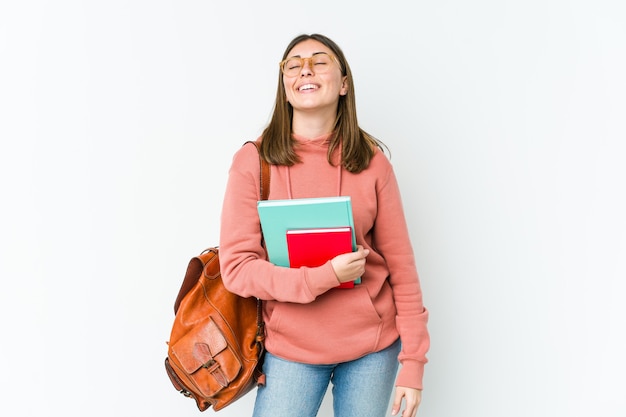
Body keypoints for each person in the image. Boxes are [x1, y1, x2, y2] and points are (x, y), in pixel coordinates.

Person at [219, 33, 429, 417]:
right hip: (290, 349)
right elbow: (236, 270)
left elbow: (402, 266)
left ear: (344, 83)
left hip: (372, 349)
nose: (306, 69)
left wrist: (413, 363)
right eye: (293, 64)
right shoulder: (253, 162)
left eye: (319, 60)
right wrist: (323, 277)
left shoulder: (373, 162)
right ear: (285, 87)